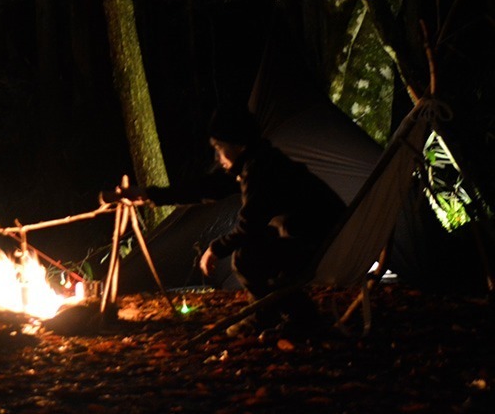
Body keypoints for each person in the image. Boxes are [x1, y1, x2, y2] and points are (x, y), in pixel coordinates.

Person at [140, 107, 346, 337]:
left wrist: (214, 249)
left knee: (247, 256)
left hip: (323, 241)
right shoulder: (255, 161)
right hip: (314, 235)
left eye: (219, 148)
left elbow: (250, 225)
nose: (217, 157)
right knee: (257, 247)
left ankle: (298, 318)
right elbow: (207, 188)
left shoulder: (261, 169)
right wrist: (150, 196)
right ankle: (271, 314)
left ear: (236, 144)